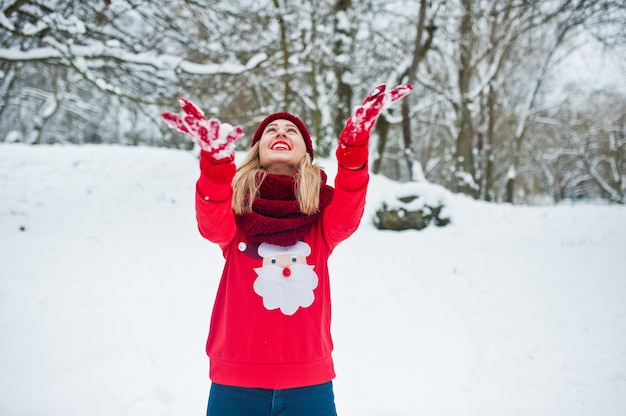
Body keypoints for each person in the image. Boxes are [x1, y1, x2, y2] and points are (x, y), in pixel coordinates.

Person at [162, 83, 412, 416]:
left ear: (305, 153)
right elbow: (211, 221)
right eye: (271, 130)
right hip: (235, 383)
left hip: (308, 384)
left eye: (291, 130)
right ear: (258, 150)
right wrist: (215, 164)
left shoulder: (320, 217)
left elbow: (350, 207)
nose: (281, 132)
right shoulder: (236, 213)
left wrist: (354, 146)